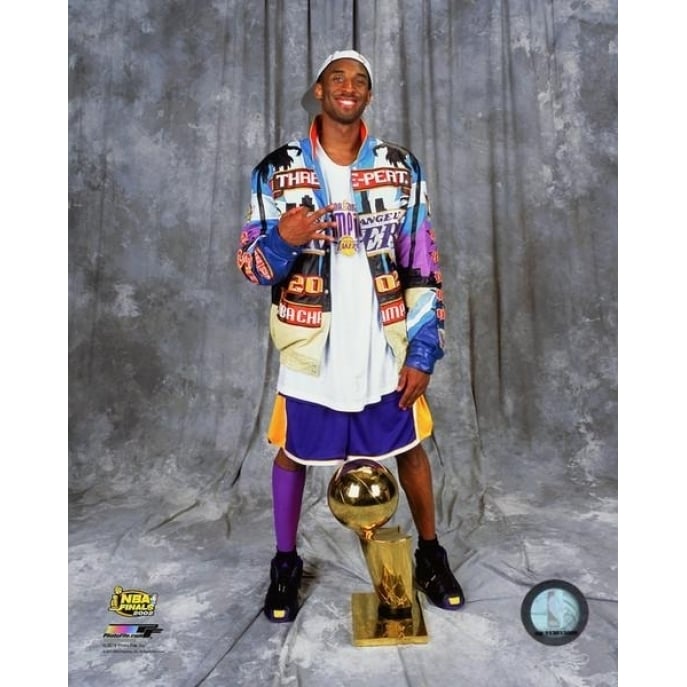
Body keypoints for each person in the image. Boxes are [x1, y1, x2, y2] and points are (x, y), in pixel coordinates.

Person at [236, 50, 465, 623]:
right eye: (337, 76)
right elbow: (253, 269)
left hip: (383, 339)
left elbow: (422, 264)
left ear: (368, 95)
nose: (349, 86)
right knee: (292, 453)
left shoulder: (401, 167)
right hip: (311, 342)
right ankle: (286, 562)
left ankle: (430, 556)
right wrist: (283, 240)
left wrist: (423, 349)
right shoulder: (275, 171)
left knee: (409, 446)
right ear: (318, 90)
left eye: (360, 79)